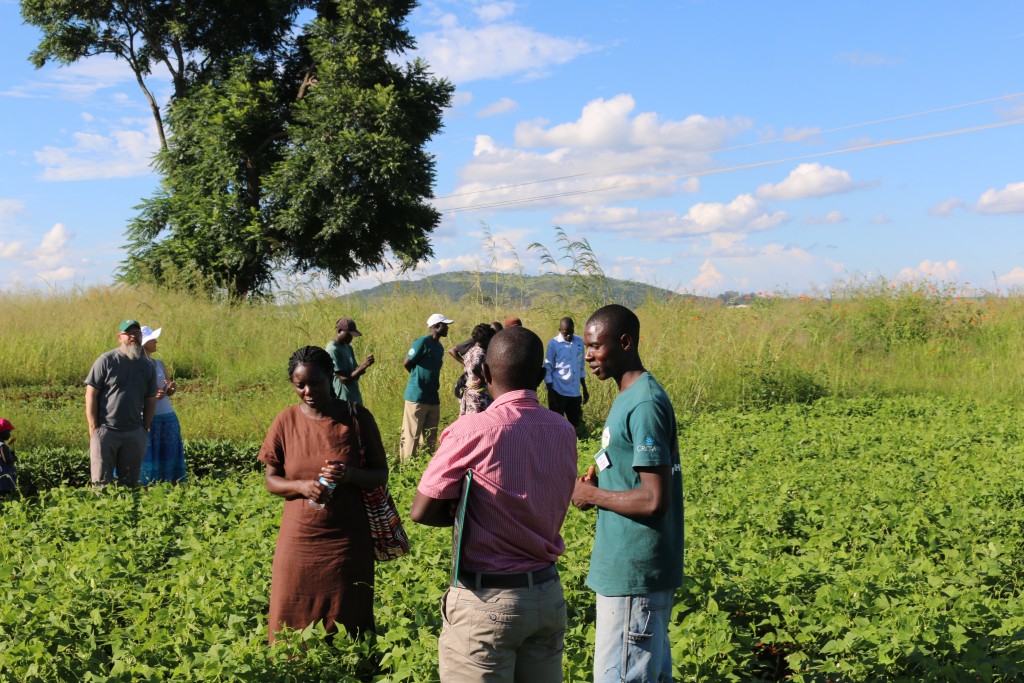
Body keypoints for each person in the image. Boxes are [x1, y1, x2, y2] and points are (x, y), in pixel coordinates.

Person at [412, 326, 578, 683]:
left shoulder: (471, 430)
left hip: (487, 601)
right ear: (540, 376)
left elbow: (421, 510)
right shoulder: (563, 431)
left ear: (484, 373)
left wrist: (469, 513)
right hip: (546, 595)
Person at [571, 304, 684, 683]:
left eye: (596, 347)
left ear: (625, 342)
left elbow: (653, 499)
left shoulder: (644, 402)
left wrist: (591, 497)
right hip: (625, 572)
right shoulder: (627, 396)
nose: (588, 356)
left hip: (634, 575)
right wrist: (602, 480)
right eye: (586, 348)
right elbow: (631, 474)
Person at [258, 346, 390, 643]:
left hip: (347, 540)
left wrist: (350, 475)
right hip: (299, 539)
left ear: (331, 377)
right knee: (291, 611)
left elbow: (380, 474)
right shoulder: (286, 421)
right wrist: (301, 486)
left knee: (348, 614)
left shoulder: (355, 418)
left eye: (315, 382)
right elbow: (271, 481)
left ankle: (350, 669)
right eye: (299, 385)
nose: (307, 391)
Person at [84, 319, 158, 487]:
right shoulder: (106, 361)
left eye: (137, 333)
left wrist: (145, 427)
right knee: (101, 484)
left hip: (134, 432)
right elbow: (90, 395)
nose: (133, 337)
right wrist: (93, 426)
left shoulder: (147, 366)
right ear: (120, 337)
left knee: (130, 485)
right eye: (129, 333)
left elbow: (151, 398)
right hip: (106, 431)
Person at [400, 313, 452, 462]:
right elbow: (407, 363)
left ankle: (425, 466)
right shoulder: (422, 342)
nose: (447, 328)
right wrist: (418, 378)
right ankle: (407, 467)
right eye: (445, 325)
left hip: (432, 396)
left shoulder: (439, 347)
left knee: (430, 436)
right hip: (417, 395)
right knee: (412, 436)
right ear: (436, 326)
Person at [139, 326, 186, 484]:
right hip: (146, 417)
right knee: (146, 453)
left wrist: (171, 388)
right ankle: (145, 485)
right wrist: (151, 396)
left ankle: (169, 483)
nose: (156, 341)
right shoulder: (135, 365)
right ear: (144, 342)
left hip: (166, 415)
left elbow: (169, 388)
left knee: (169, 451)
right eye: (152, 339)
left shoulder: (159, 363)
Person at [544, 316, 589, 433]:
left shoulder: (579, 342)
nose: (569, 336)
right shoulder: (554, 344)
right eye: (565, 333)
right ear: (560, 330)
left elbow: (581, 366)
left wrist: (584, 388)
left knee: (576, 426)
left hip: (574, 392)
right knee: (556, 428)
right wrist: (551, 392)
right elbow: (547, 368)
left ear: (574, 329)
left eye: (571, 332)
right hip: (558, 391)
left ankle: (577, 448)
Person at [325, 317, 374, 405]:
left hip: (354, 398)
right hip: (343, 400)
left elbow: (355, 373)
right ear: (339, 331)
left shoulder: (348, 347)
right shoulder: (332, 350)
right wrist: (363, 366)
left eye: (352, 335)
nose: (351, 338)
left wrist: (365, 365)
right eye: (349, 334)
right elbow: (344, 379)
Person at [459, 323, 496, 415]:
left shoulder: (470, 351)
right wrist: (484, 379)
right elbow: (474, 367)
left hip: (470, 391)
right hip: (479, 394)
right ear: (486, 338)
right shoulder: (480, 352)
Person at [0, 418, 15, 495]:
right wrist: (13, 457)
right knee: (6, 493)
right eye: (8, 431)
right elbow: (7, 460)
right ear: (2, 432)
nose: (10, 434)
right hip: (4, 474)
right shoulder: (3, 446)